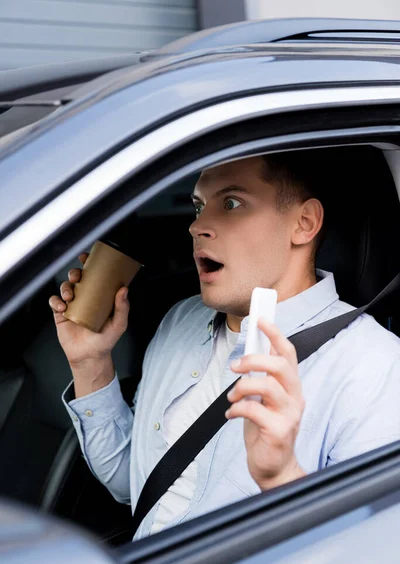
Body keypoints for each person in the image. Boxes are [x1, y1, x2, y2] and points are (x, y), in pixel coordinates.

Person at [49, 150, 400, 539]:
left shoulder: (375, 365)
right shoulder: (180, 321)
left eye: (232, 203)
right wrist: (90, 363)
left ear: (304, 223)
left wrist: (282, 478)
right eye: (198, 206)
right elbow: (132, 486)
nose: (198, 226)